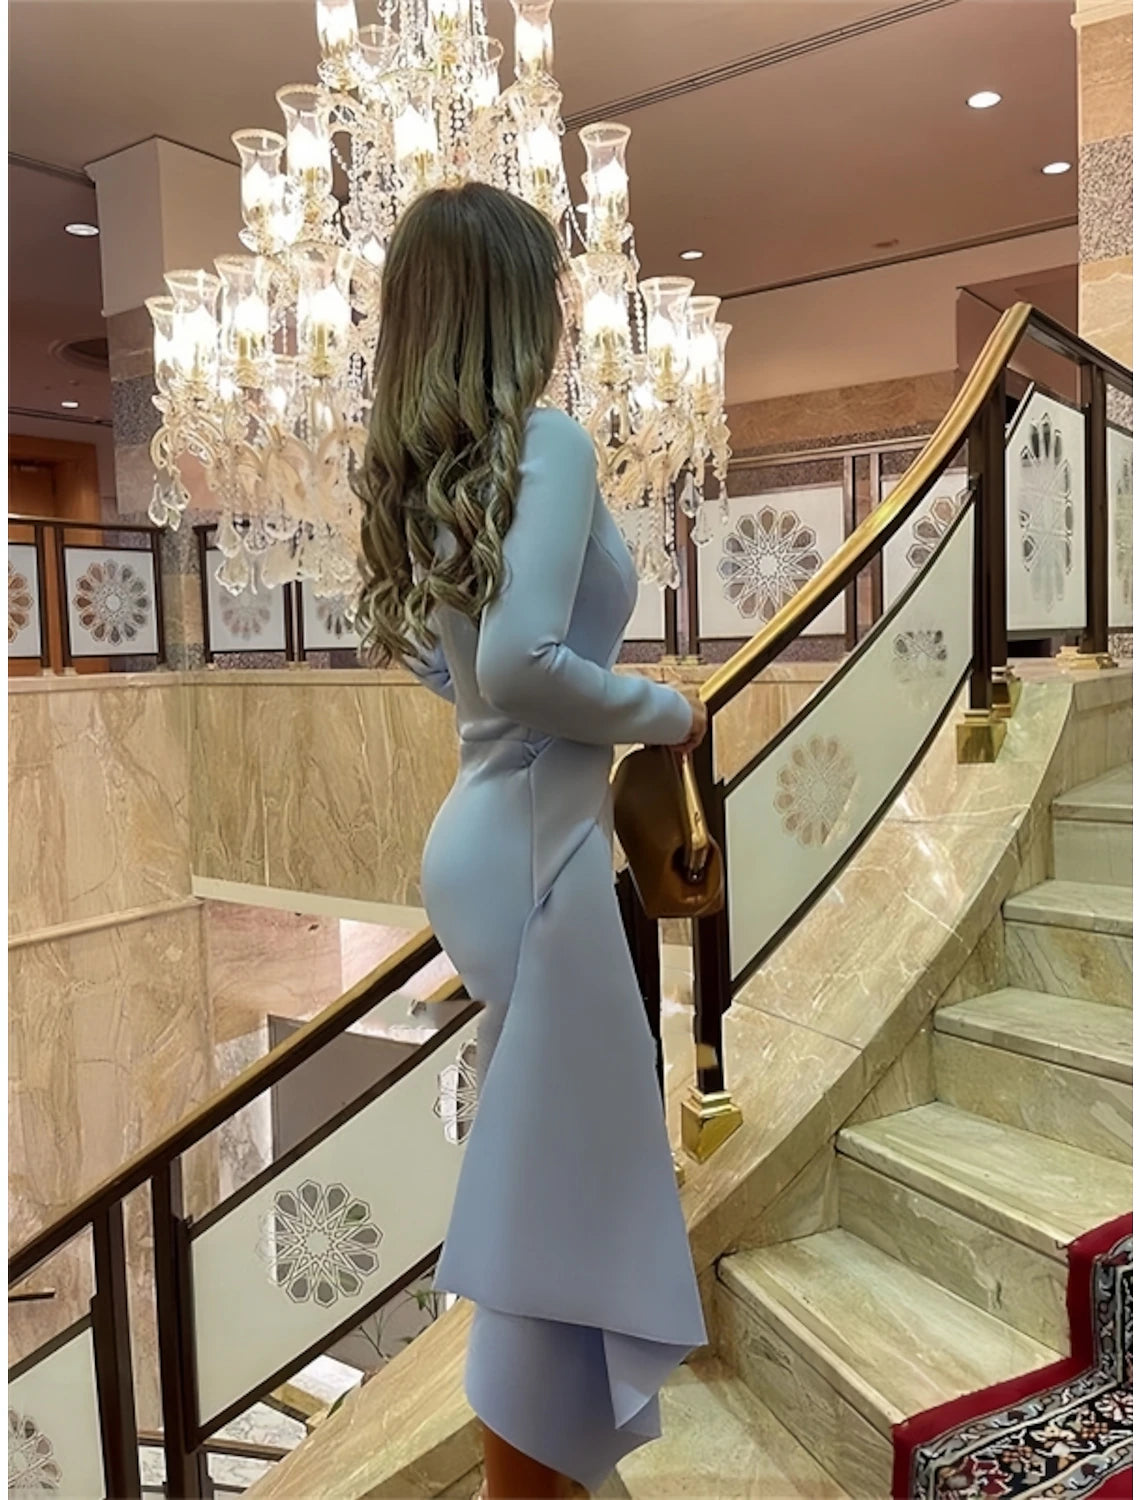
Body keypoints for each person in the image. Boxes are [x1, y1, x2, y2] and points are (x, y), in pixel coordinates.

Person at [355, 180, 708, 1499]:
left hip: (493, 837)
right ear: (515, 305)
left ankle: (553, 1480)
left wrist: (513, 714)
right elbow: (519, 664)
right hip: (536, 854)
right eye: (549, 288)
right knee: (555, 1219)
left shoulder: (449, 474)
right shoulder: (545, 444)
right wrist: (665, 709)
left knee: (548, 1198)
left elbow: (444, 663)